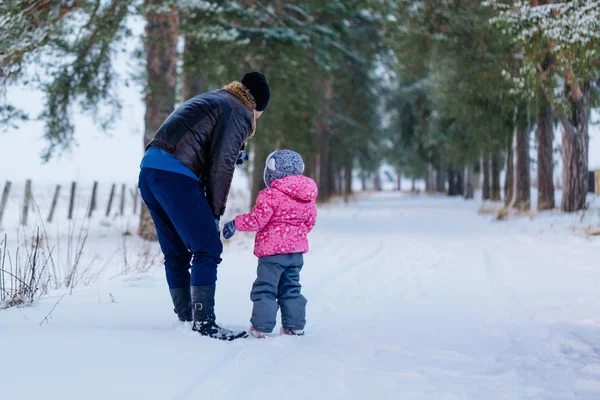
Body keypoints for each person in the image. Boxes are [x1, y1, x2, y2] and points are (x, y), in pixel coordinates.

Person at [138, 72, 270, 341]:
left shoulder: (217, 98)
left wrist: (235, 154)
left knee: (176, 252)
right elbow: (220, 166)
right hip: (175, 176)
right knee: (207, 247)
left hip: (150, 171)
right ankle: (204, 323)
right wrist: (214, 212)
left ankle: (187, 318)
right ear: (257, 107)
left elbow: (200, 141)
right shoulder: (240, 111)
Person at [222, 150, 318, 338]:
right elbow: (310, 221)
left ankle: (261, 327)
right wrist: (296, 236)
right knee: (291, 287)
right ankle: (295, 326)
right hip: (296, 254)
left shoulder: (270, 195)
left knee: (266, 288)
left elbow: (257, 220)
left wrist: (235, 223)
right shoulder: (307, 197)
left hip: (272, 254)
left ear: (272, 170)